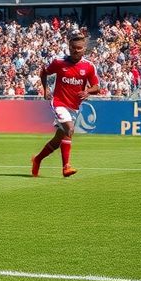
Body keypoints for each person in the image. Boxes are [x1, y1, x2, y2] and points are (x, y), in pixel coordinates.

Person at [30, 31, 100, 177]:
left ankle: (37, 159)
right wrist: (45, 89)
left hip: (74, 107)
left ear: (84, 49)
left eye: (79, 48)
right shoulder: (59, 62)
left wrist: (88, 92)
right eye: (73, 47)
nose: (76, 50)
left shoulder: (89, 66)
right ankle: (66, 167)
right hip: (59, 102)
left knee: (57, 140)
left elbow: (97, 87)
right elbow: (44, 72)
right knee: (70, 129)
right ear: (69, 47)